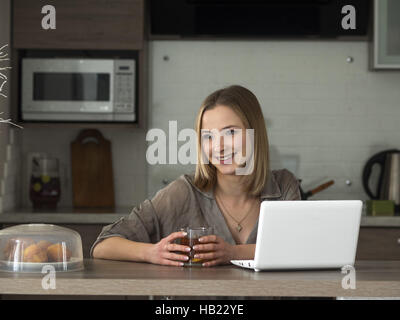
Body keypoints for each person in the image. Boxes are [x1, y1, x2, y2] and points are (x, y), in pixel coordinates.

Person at [91, 85, 301, 267]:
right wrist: (151, 252)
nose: (218, 147)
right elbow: (103, 245)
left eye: (230, 132)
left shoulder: (283, 185)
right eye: (208, 136)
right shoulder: (184, 192)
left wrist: (233, 253)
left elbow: (298, 248)